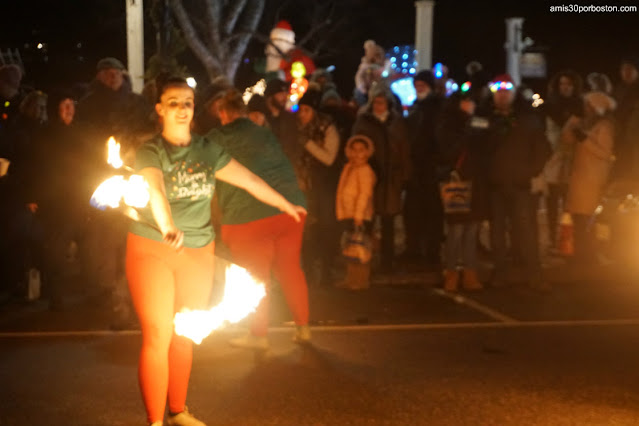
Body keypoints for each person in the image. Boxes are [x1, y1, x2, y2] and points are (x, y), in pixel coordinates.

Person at [126, 76, 305, 426]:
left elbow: (249, 180)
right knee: (159, 333)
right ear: (160, 109)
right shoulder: (151, 151)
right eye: (173, 102)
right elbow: (155, 189)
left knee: (184, 332)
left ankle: (177, 411)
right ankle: (154, 421)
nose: (182, 109)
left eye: (188, 103)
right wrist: (167, 225)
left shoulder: (207, 150)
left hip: (198, 249)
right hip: (152, 246)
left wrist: (284, 203)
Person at [207, 90, 310, 350]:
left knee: (256, 276)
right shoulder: (263, 133)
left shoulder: (215, 138)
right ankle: (303, 328)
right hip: (290, 208)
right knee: (290, 268)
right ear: (243, 111)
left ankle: (259, 335)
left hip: (247, 216)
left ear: (222, 113)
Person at [475, 74, 551, 291]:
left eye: (506, 92)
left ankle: (535, 275)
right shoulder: (485, 118)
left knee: (527, 230)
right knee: (497, 233)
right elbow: (475, 146)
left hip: (521, 185)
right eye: (498, 92)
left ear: (513, 94)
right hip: (495, 185)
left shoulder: (528, 119)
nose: (502, 96)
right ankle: (501, 274)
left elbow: (543, 149)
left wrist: (530, 171)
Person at [352, 82, 410, 273]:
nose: (379, 106)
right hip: (370, 177)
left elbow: (403, 150)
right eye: (376, 102)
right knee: (368, 220)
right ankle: (365, 258)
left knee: (388, 223)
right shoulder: (364, 122)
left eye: (382, 102)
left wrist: (403, 176)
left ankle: (387, 261)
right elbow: (355, 146)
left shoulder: (397, 122)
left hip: (391, 180)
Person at [436, 92, 488, 291]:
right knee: (457, 230)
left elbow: (488, 145)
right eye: (465, 101)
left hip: (477, 183)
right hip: (458, 182)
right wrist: (468, 132)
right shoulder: (448, 123)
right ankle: (451, 272)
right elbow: (448, 151)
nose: (469, 104)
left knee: (472, 230)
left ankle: (470, 273)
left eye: (471, 100)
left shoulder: (479, 121)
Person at [563, 92, 616, 263]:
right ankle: (580, 253)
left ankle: (588, 254)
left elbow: (605, 153)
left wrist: (585, 140)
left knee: (587, 220)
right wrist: (572, 121)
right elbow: (566, 138)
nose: (585, 109)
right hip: (580, 177)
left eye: (588, 106)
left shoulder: (604, 127)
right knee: (578, 218)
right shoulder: (584, 123)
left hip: (592, 179)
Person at [295, 89, 340, 285]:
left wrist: (308, 144)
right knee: (306, 229)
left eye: (306, 110)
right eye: (301, 109)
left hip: (323, 184)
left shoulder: (326, 127)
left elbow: (329, 158)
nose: (302, 114)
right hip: (303, 185)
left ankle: (326, 270)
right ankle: (309, 272)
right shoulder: (295, 128)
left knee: (325, 226)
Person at [402, 69, 444, 269]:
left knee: (432, 211)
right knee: (412, 210)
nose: (419, 87)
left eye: (422, 84)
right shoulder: (415, 107)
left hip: (430, 167)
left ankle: (432, 252)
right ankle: (414, 248)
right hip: (415, 167)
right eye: (416, 84)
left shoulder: (437, 107)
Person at [541, 71, 584, 249]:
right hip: (554, 158)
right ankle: (553, 237)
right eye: (562, 84)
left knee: (570, 201)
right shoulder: (551, 105)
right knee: (552, 202)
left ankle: (569, 239)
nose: (565, 87)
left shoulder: (579, 104)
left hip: (573, 160)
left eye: (569, 84)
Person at [335, 135, 376, 290]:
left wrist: (359, 215)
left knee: (361, 248)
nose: (357, 153)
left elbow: (365, 194)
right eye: (354, 149)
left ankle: (360, 280)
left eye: (361, 150)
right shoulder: (349, 167)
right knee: (351, 246)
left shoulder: (365, 170)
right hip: (349, 213)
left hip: (360, 215)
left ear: (367, 152)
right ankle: (351, 278)